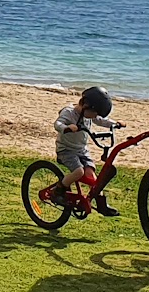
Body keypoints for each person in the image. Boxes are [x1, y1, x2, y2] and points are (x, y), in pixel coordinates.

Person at [50, 86, 121, 216]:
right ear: (85, 105)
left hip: (82, 150)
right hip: (66, 150)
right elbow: (58, 124)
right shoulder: (68, 112)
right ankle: (57, 192)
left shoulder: (89, 114)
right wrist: (66, 128)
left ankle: (101, 203)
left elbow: (99, 120)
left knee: (92, 176)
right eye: (95, 113)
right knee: (78, 172)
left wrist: (114, 123)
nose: (95, 116)